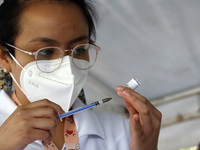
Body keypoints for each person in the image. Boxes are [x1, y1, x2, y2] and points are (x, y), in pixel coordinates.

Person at [0, 0, 162, 150]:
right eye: (46, 51)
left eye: (79, 50)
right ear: (4, 57)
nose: (67, 67)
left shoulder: (123, 131)